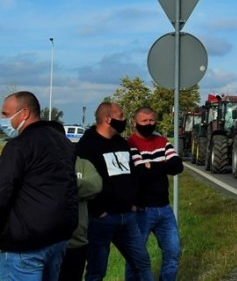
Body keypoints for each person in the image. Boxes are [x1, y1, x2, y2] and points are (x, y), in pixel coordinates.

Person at [0, 91, 78, 280]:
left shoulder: (19, 146)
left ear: (24, 113)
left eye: (5, 113)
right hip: (58, 236)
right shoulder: (63, 142)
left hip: (25, 244)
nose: (3, 119)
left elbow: (3, 189)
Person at [75, 102, 153, 281]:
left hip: (128, 218)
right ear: (107, 119)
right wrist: (98, 210)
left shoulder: (121, 142)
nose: (124, 119)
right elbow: (84, 181)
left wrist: (135, 202)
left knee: (142, 263)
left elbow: (132, 174)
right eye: (121, 115)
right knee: (97, 270)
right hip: (101, 220)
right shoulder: (87, 145)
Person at [127, 107, 184, 280]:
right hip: (142, 210)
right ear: (135, 122)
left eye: (152, 120)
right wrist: (162, 166)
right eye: (144, 121)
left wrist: (152, 165)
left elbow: (177, 166)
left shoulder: (161, 141)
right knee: (136, 258)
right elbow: (140, 174)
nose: (148, 124)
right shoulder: (130, 144)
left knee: (173, 252)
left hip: (164, 208)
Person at [59, 156, 103, 281]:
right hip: (48, 244)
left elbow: (96, 185)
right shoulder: (42, 161)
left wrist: (64, 184)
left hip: (76, 242)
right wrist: (78, 191)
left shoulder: (82, 163)